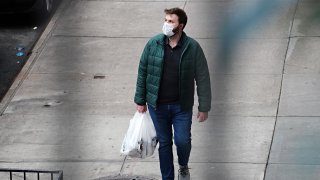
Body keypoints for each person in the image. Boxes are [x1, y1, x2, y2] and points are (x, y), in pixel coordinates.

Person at [134, 7, 211, 180]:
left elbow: (203, 77)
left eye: (171, 21)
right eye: (166, 20)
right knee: (165, 144)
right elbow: (143, 71)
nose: (166, 24)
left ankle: (183, 166)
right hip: (157, 106)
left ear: (181, 25)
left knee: (182, 141)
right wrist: (140, 100)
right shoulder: (153, 44)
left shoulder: (192, 47)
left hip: (180, 106)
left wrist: (204, 106)